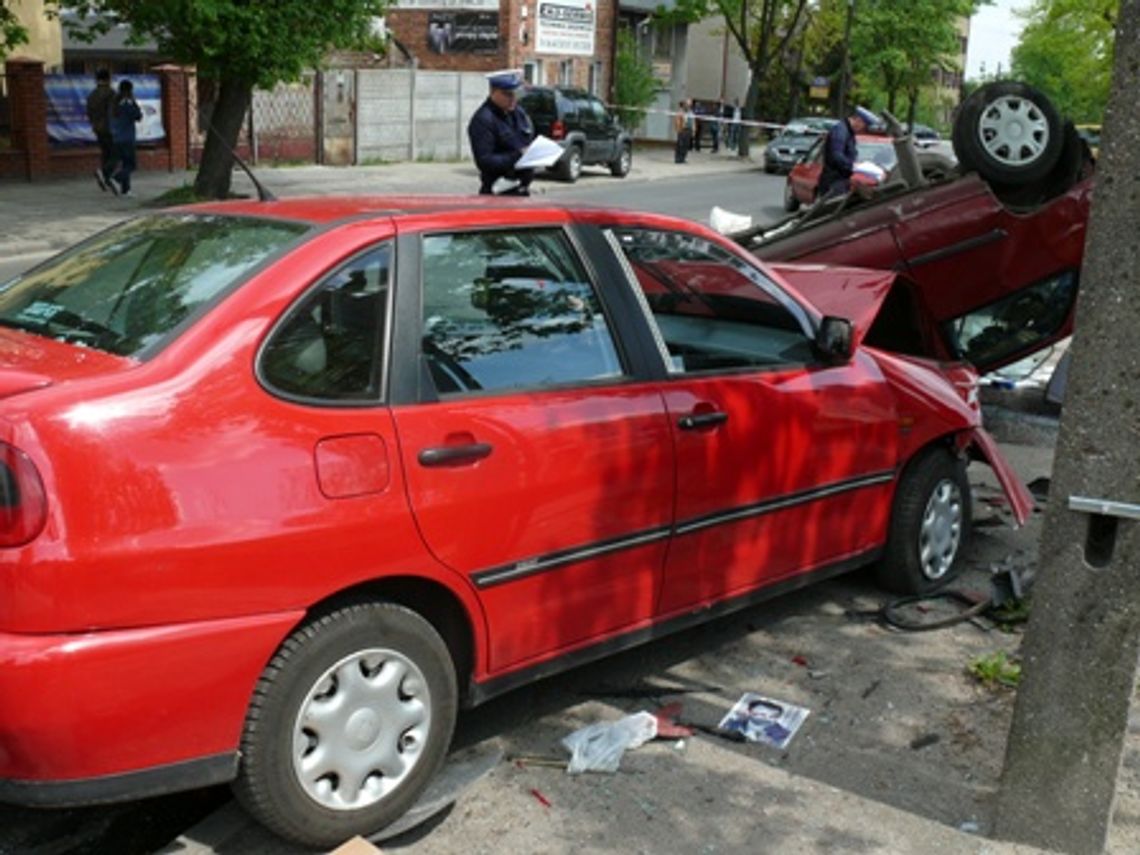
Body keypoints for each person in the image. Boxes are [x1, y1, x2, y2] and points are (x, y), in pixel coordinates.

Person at [467, 69, 535, 196]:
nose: (513, 99)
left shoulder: (518, 113)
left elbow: (527, 138)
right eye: (507, 94)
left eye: (516, 94)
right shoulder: (484, 119)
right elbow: (485, 161)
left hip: (521, 188)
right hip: (498, 191)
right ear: (493, 92)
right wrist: (518, 155)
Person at [818, 105, 877, 200]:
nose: (863, 130)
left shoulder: (848, 132)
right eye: (864, 126)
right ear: (858, 120)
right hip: (834, 183)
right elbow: (837, 156)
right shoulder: (840, 131)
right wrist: (854, 166)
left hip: (840, 181)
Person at [108, 79, 143, 197]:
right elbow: (138, 116)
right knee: (131, 165)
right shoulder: (127, 103)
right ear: (130, 90)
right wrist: (134, 102)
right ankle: (116, 178)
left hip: (117, 138)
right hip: (127, 138)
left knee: (124, 164)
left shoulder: (114, 103)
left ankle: (126, 190)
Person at [86, 69, 116, 192]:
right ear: (108, 79)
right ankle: (104, 173)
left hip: (97, 128)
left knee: (105, 153)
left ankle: (106, 179)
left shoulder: (92, 95)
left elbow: (89, 112)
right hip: (109, 128)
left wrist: (94, 124)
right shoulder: (111, 93)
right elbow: (112, 112)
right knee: (116, 154)